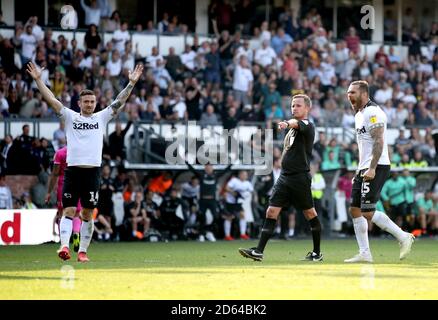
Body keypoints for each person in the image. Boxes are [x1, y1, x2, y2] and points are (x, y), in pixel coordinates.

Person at [27, 61, 143, 262]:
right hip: (73, 172)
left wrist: (131, 84)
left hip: (92, 173)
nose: (89, 104)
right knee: (69, 210)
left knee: (88, 214)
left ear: (95, 103)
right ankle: (64, 246)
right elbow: (52, 99)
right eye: (85, 101)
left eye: (92, 101)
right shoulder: (70, 117)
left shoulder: (101, 118)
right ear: (79, 103)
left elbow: (119, 101)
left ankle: (82, 251)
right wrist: (38, 80)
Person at [239, 94, 323, 262]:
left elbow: (295, 123)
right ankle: (259, 251)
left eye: (298, 105)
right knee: (271, 212)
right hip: (284, 177)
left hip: (299, 177)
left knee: (310, 213)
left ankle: (316, 253)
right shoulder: (292, 131)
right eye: (293, 105)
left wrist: (286, 123)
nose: (294, 108)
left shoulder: (307, 125)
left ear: (307, 108)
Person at [344, 80, 414, 263]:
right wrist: (360, 169)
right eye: (348, 92)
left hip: (377, 165)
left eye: (353, 92)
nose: (349, 95)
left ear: (364, 94)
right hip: (363, 167)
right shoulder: (359, 114)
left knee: (367, 211)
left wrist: (372, 168)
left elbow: (379, 141)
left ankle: (403, 236)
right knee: (355, 210)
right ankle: (365, 253)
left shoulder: (373, 112)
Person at [45, 146, 82, 252]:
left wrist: (49, 192)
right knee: (76, 213)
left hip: (64, 184)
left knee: (62, 214)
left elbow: (55, 174)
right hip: (78, 183)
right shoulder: (80, 151)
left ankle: (64, 244)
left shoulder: (60, 153)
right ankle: (76, 234)